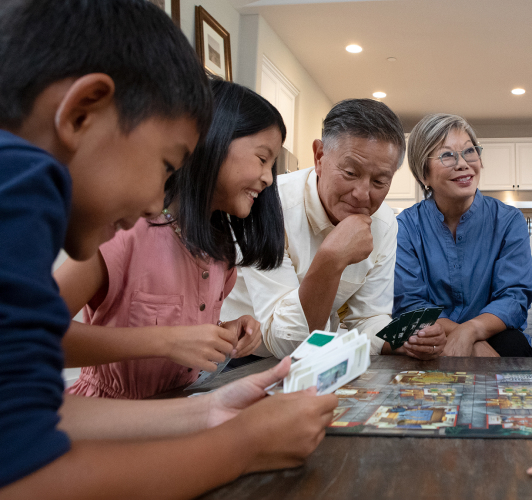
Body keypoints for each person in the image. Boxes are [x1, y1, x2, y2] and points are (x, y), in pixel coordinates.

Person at [0, 1, 336, 497]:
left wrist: (209, 410)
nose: (157, 200)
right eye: (164, 164)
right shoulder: (22, 183)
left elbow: (29, 419)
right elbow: (26, 476)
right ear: (83, 111)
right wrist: (243, 445)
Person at [55, 79, 286, 399]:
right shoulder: (125, 232)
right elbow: (31, 332)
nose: (268, 178)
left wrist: (224, 333)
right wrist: (166, 341)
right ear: (213, 142)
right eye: (262, 159)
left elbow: (185, 330)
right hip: (105, 419)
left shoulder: (220, 255)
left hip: (176, 414)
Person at [223, 99, 447, 360]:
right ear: (319, 157)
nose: (362, 195)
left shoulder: (384, 223)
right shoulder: (269, 205)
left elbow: (368, 317)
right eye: (351, 172)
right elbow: (284, 342)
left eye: (379, 181)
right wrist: (331, 257)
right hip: (239, 359)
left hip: (318, 355)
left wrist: (401, 338)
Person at [393, 113, 532, 358]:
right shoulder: (405, 227)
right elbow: (410, 304)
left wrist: (470, 332)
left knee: (514, 344)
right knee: (412, 339)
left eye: (470, 151)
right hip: (431, 334)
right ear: (423, 174)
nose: (463, 164)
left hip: (493, 334)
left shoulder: (508, 220)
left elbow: (514, 297)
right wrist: (464, 341)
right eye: (447, 155)